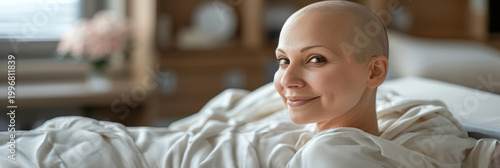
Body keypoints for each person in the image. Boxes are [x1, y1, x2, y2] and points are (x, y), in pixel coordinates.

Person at [274, 0, 388, 136]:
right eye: (283, 60)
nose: (286, 80)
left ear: (375, 72)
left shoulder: (325, 155)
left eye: (316, 60)